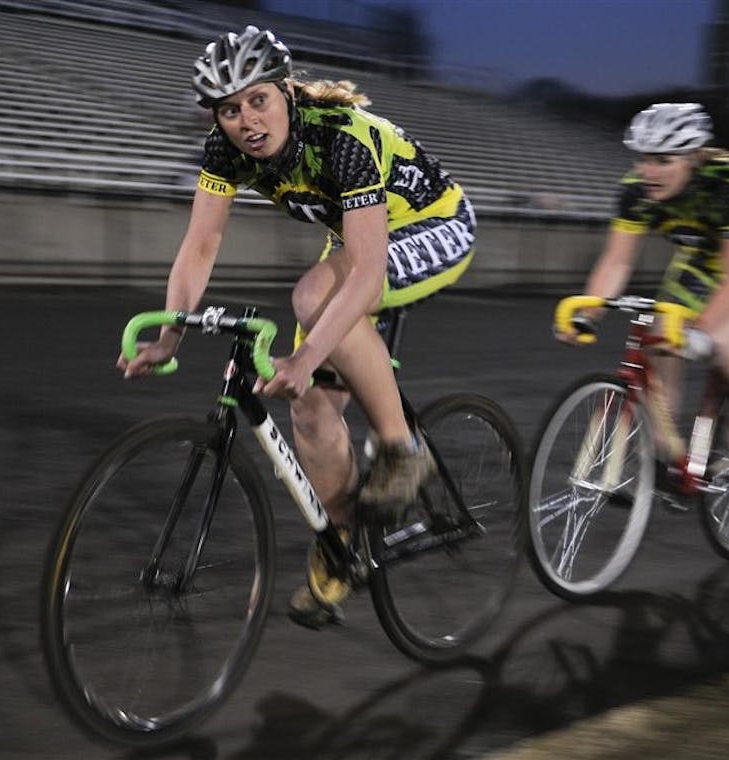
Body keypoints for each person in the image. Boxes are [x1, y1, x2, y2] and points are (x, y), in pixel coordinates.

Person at [117, 25, 477, 628]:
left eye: (258, 99)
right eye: (230, 109)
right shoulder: (224, 150)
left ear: (286, 91)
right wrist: (172, 333)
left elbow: (363, 276)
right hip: (359, 239)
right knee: (308, 409)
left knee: (314, 299)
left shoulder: (342, 137)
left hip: (435, 222)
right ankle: (342, 546)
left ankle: (402, 449)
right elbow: (200, 246)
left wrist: (308, 356)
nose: (247, 120)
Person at [556, 102, 729, 484]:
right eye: (643, 158)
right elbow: (617, 262)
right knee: (660, 337)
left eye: (663, 160)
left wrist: (701, 330)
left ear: (693, 159)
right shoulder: (634, 190)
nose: (648, 172)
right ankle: (666, 451)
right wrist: (587, 314)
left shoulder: (727, 187)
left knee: (720, 343)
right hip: (705, 257)